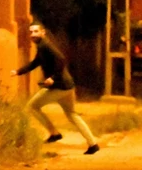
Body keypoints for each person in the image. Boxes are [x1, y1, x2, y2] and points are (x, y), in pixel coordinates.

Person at [11, 23, 100, 155]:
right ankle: (93, 144)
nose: (33, 34)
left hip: (60, 86)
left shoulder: (45, 46)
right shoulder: (42, 47)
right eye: (31, 32)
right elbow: (35, 63)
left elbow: (61, 59)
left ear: (43, 32)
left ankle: (54, 133)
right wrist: (18, 72)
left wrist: (53, 77)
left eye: (36, 31)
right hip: (67, 86)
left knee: (32, 106)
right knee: (72, 115)